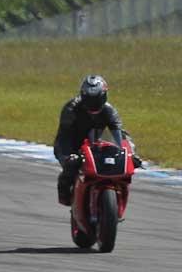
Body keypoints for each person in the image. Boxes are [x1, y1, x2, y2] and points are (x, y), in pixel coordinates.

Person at [53, 75, 141, 206]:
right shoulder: (71, 109)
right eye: (89, 99)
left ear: (104, 96)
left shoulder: (109, 110)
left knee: (119, 168)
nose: (93, 104)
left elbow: (121, 134)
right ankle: (66, 194)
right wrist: (68, 156)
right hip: (70, 145)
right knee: (71, 166)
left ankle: (117, 200)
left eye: (97, 99)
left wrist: (131, 154)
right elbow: (65, 137)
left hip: (95, 146)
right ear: (83, 96)